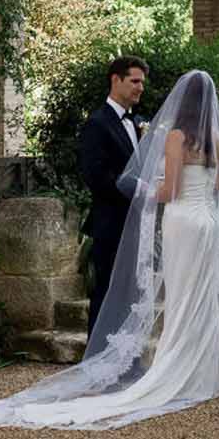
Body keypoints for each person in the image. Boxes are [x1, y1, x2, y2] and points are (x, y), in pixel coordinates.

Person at [0, 69, 219, 430]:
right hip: (207, 223)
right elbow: (216, 190)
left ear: (183, 100)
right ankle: (203, 374)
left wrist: (146, 188)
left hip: (182, 222)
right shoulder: (215, 137)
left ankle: (173, 371)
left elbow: (169, 193)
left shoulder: (177, 136)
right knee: (201, 296)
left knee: (182, 297)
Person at [76, 54, 148, 337]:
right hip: (110, 224)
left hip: (135, 224)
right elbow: (96, 177)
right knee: (106, 294)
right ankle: (96, 365)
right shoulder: (97, 123)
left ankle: (126, 362)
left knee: (132, 294)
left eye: (142, 82)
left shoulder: (140, 122)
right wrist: (139, 190)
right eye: (134, 81)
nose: (140, 87)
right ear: (115, 80)